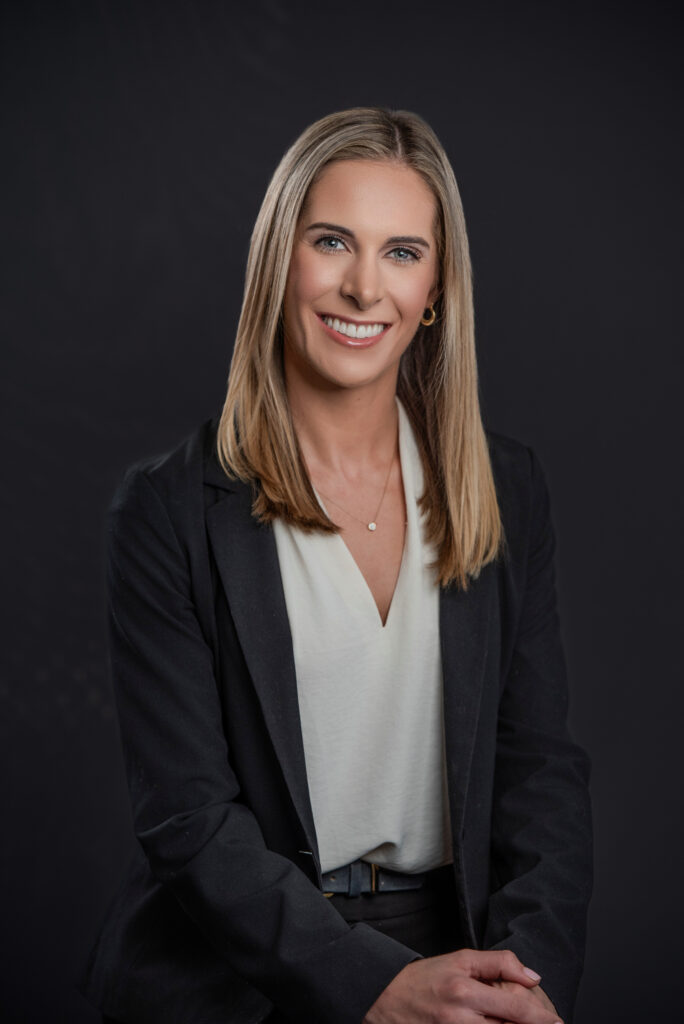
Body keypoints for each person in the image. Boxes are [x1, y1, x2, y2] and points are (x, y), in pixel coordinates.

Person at [81, 107, 592, 1024]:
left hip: (456, 950)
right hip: (234, 974)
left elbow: (540, 771)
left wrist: (528, 981)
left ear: (435, 288)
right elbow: (188, 821)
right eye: (331, 242)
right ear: (281, 258)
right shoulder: (165, 509)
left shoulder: (505, 486)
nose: (364, 287)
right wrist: (371, 986)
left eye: (402, 252)